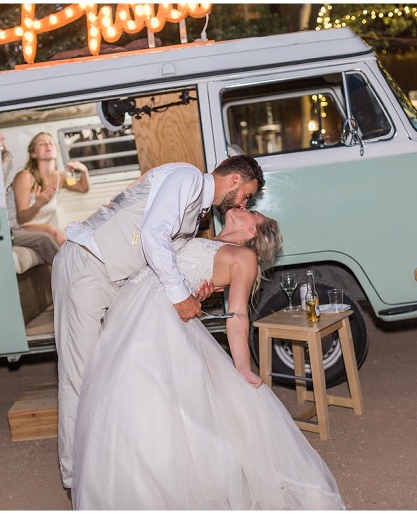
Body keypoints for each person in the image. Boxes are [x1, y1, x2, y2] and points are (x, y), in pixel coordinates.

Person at [70, 209, 345, 509]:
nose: (244, 208)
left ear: (253, 231)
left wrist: (241, 367)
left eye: (252, 211)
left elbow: (237, 313)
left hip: (155, 324)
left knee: (142, 397)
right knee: (125, 400)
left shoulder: (244, 257)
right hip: (132, 314)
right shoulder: (206, 238)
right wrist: (193, 294)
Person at [51, 155, 264, 489]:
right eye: (246, 195)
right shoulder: (187, 177)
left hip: (118, 280)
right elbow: (153, 233)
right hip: (88, 265)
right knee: (80, 374)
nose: (242, 202)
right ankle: (76, 477)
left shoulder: (197, 213)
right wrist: (181, 296)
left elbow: (165, 257)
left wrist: (193, 288)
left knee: (109, 373)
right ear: (235, 180)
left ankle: (108, 467)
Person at [6, 132, 90, 263]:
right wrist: (38, 205)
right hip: (13, 228)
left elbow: (82, 188)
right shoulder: (25, 177)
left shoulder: (59, 177)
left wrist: (84, 171)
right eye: (41, 143)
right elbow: (21, 219)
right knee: (51, 231)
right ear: (33, 153)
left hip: (34, 227)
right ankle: (70, 270)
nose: (48, 145)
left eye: (51, 143)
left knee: (68, 235)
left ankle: (81, 266)